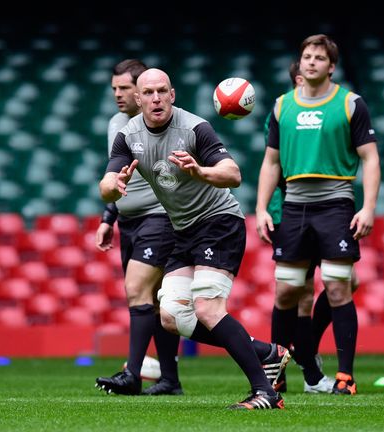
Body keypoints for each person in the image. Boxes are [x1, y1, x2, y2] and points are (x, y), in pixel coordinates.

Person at [100, 68, 289, 410]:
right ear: (138, 99)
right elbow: (106, 185)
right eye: (149, 93)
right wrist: (113, 187)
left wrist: (200, 171)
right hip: (183, 229)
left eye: (162, 91)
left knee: (206, 307)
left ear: (172, 95)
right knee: (171, 315)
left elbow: (233, 174)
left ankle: (265, 392)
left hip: (219, 223)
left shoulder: (194, 128)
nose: (156, 98)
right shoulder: (128, 136)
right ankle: (266, 352)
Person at [256, 34, 381, 395]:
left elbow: (370, 158)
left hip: (336, 203)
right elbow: (271, 162)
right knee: (286, 293)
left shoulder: (350, 104)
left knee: (339, 286)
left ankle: (345, 377)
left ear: (331, 66)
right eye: (307, 56)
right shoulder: (282, 106)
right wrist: (262, 207)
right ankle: (274, 375)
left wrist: (368, 207)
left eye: (319, 58)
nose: (311, 62)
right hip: (293, 206)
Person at [94, 59, 183, 396]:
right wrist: (108, 217)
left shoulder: (170, 126)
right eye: (114, 88)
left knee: (136, 289)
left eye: (125, 88)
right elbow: (116, 175)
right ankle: (170, 380)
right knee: (156, 302)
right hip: (129, 221)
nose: (118, 94)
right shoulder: (117, 124)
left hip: (160, 217)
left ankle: (132, 373)